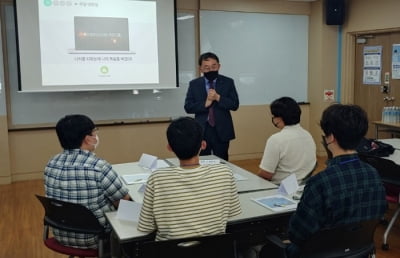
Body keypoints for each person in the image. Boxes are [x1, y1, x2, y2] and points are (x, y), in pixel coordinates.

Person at [285, 104, 387, 257]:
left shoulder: (320, 182)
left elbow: (297, 235)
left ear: (331, 137)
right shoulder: (373, 174)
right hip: (360, 251)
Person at [137, 117, 241, 240]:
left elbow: (146, 227)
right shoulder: (224, 173)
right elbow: (232, 214)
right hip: (215, 251)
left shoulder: (157, 178)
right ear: (203, 145)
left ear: (169, 147)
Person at [44, 114, 130, 249]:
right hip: (97, 238)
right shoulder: (98, 167)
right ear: (88, 139)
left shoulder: (51, 163)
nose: (96, 136)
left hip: (60, 233)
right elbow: (123, 202)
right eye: (95, 132)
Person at [184, 52, 239, 161]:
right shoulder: (194, 84)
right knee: (203, 160)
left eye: (214, 66)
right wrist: (206, 103)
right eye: (207, 67)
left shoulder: (228, 82)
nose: (211, 70)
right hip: (202, 129)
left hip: (222, 129)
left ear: (219, 66)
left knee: (222, 160)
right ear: (200, 69)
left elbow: (234, 105)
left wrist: (218, 98)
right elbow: (188, 107)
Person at [258, 97, 316, 184]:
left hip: (280, 189)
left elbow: (266, 174)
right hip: (304, 185)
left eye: (273, 116)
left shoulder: (276, 140)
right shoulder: (307, 135)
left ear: (279, 118)